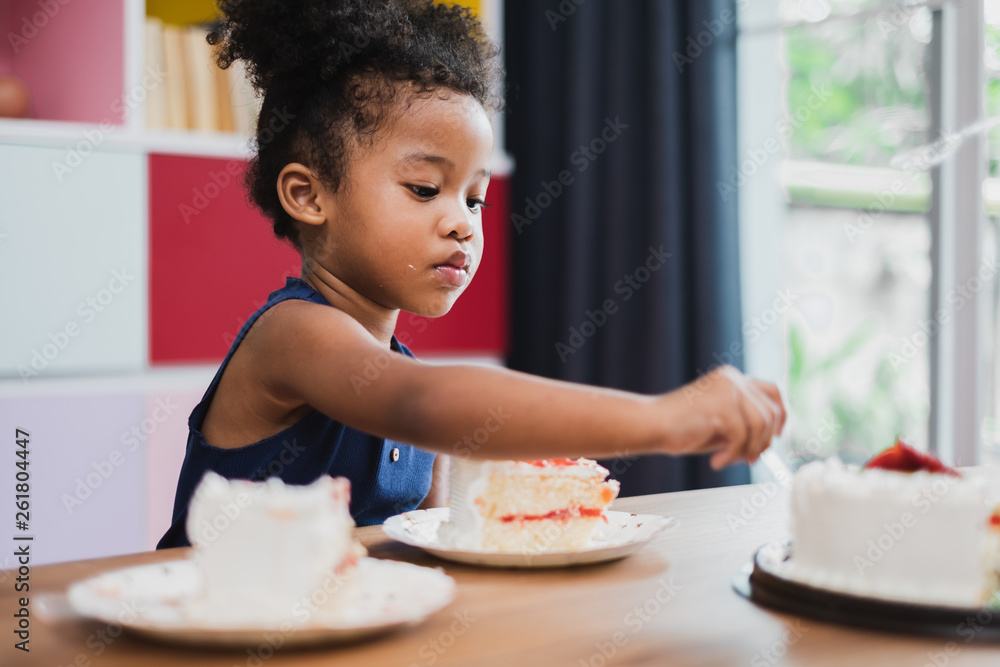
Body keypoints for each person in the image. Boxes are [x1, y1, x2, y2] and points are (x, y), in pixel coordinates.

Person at [157, 0, 785, 549]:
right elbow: (421, 402)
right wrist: (665, 418)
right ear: (308, 195)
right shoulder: (290, 336)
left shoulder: (415, 406)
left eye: (475, 198)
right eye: (425, 187)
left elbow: (427, 549)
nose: (463, 223)